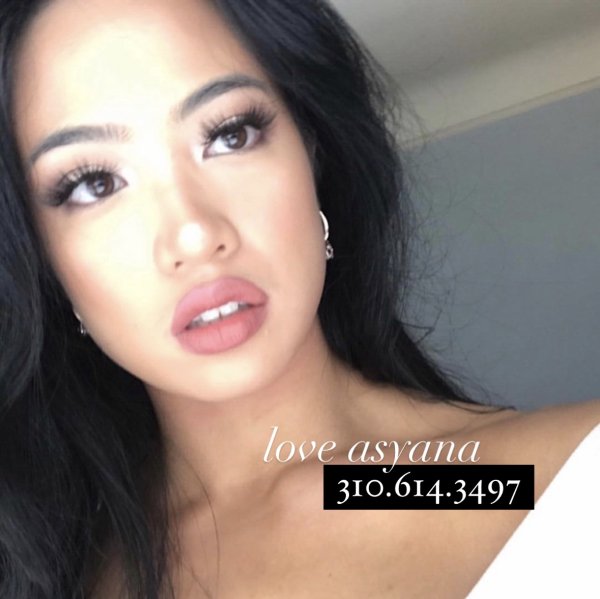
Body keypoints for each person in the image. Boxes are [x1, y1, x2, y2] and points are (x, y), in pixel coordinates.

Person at [0, 0, 598, 597]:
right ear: (42, 260)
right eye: (94, 184)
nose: (195, 234)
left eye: (230, 135)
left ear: (313, 155)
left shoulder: (543, 481)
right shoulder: (51, 570)